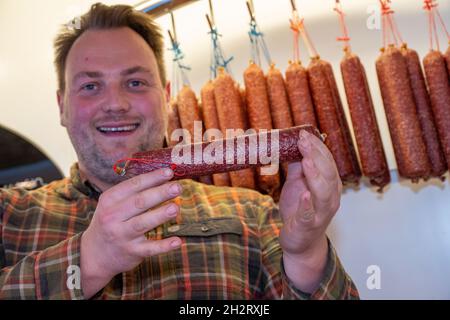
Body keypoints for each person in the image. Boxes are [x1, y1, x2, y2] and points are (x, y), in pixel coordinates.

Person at [0, 3, 358, 300]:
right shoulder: (9, 216)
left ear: (166, 95)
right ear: (61, 105)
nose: (116, 103)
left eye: (135, 82)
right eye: (91, 85)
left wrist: (306, 253)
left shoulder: (254, 215)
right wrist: (89, 260)